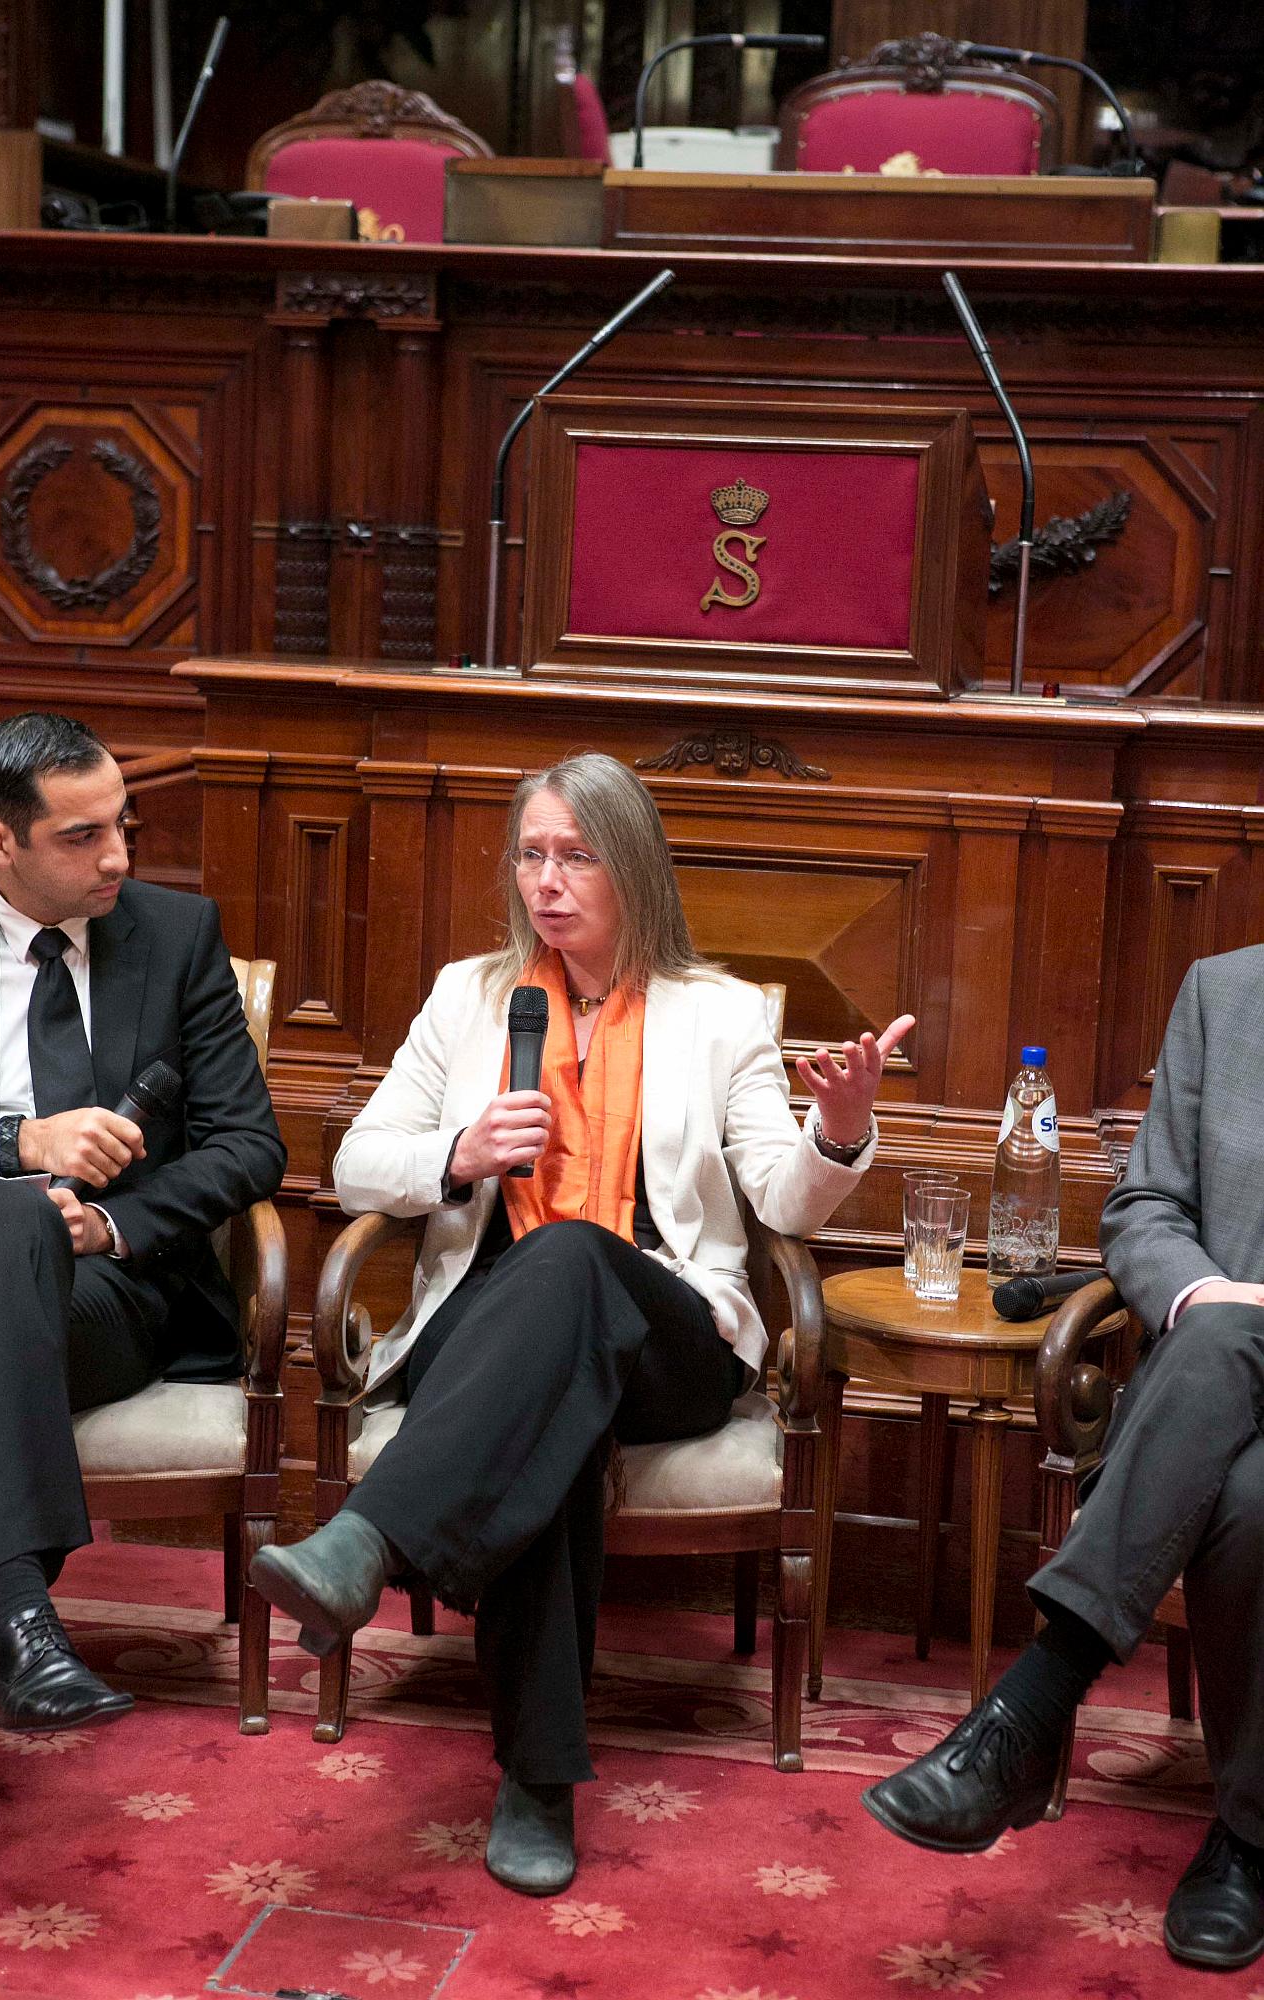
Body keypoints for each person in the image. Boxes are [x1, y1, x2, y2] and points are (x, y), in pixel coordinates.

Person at [252, 751, 913, 1897]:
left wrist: (839, 1129)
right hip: (488, 1327)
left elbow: (781, 1199)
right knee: (549, 1412)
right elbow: (357, 1161)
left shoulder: (717, 1016)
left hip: (671, 1331)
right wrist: (453, 1157)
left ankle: (370, 1536)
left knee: (568, 1266)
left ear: (634, 869)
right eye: (531, 853)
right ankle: (537, 1777)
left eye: (576, 855)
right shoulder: (471, 994)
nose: (546, 881)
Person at [0, 712, 285, 1896]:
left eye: (123, 820)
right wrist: (13, 1143)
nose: (120, 855)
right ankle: (17, 1612)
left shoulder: (177, 935)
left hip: (111, 1289)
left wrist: (118, 1217)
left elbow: (248, 1144)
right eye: (83, 836)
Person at [863, 944, 1264, 1973]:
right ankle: (1249, 1840)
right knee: (1249, 1490)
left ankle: (1032, 1708)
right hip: (1221, 1396)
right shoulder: (1226, 990)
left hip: (1214, 1382)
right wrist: (1202, 1294)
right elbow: (1145, 1207)